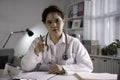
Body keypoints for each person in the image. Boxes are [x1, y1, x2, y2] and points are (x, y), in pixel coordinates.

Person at [21, 5, 93, 74]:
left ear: (63, 22)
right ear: (45, 24)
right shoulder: (37, 42)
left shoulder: (74, 42)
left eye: (57, 21)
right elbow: (25, 67)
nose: (54, 25)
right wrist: (36, 51)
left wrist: (63, 69)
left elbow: (87, 66)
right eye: (49, 22)